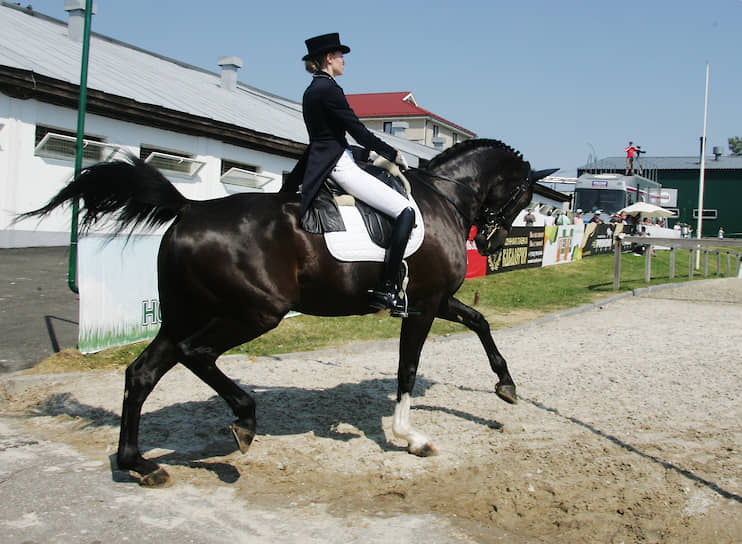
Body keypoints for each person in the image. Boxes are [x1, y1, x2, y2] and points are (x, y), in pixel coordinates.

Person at [299, 33, 416, 317]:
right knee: (405, 211)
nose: (343, 62)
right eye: (340, 57)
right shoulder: (330, 90)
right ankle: (387, 287)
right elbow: (358, 131)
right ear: (329, 59)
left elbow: (331, 136)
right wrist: (391, 153)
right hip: (340, 165)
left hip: (333, 159)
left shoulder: (311, 90)